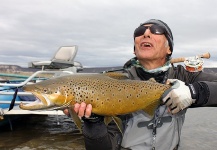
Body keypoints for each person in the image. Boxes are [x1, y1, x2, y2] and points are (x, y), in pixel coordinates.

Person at [64, 19, 217, 150]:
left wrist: (195, 92)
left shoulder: (183, 76)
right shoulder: (117, 83)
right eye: (140, 31)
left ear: (169, 48)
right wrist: (93, 123)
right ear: (134, 49)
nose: (146, 33)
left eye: (156, 30)